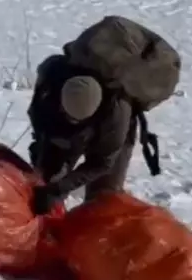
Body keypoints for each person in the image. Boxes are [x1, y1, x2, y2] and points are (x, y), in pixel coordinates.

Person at [26, 58, 137, 215]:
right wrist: (42, 147)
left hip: (107, 135)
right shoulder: (51, 82)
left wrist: (59, 188)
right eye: (69, 116)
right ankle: (49, 223)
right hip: (66, 124)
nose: (73, 122)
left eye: (78, 120)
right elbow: (38, 120)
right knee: (48, 178)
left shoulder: (117, 115)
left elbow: (101, 164)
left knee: (104, 198)